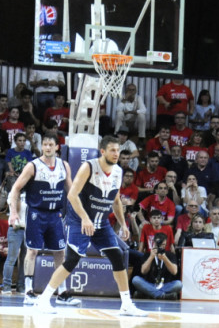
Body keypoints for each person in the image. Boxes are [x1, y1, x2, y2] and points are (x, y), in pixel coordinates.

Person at [34, 136, 146, 316]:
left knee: (117, 256)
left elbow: (116, 200)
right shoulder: (89, 167)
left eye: (118, 150)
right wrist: (85, 218)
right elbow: (72, 195)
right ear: (103, 151)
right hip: (79, 220)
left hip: (101, 222)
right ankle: (43, 300)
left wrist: (124, 224)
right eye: (112, 150)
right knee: (71, 259)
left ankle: (126, 304)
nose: (116, 154)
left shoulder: (118, 171)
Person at [8, 135, 77, 305]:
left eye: (50, 144)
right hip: (36, 214)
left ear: (57, 147)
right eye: (44, 144)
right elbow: (15, 189)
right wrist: (13, 212)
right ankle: (29, 291)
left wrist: (81, 213)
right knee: (32, 251)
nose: (47, 147)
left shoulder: (64, 165)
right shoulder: (33, 166)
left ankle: (61, 292)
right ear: (41, 147)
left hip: (55, 214)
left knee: (60, 252)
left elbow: (71, 191)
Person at [132, 233, 182, 300]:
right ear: (154, 243)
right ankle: (162, 296)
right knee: (136, 280)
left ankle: (148, 294)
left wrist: (165, 259)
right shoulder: (147, 255)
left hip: (165, 285)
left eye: (163, 245)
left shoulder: (170, 255)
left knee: (178, 284)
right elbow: (143, 271)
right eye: (158, 244)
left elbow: (174, 272)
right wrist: (151, 257)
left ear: (166, 244)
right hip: (150, 284)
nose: (160, 247)